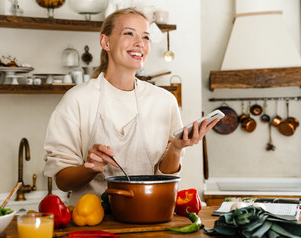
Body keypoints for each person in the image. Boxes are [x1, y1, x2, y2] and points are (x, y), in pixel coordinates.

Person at [43, 7, 219, 205]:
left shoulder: (164, 101)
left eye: (145, 37)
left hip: (149, 214)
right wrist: (91, 167)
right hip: (91, 219)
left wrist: (177, 148)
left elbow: (165, 177)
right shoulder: (77, 100)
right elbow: (63, 181)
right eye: (129, 33)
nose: (139, 44)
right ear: (105, 42)